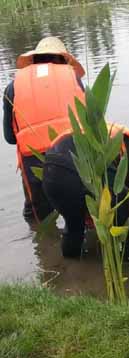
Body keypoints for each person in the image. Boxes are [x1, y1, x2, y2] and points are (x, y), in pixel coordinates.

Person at [42, 125, 129, 259]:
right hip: (81, 168)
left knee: (74, 226)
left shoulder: (127, 142)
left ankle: (70, 268)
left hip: (51, 172)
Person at [2, 36, 85, 224]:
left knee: (38, 218)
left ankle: (44, 247)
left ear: (34, 60)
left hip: (35, 163)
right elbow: (91, 127)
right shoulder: (76, 80)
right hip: (72, 159)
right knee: (81, 214)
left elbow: (10, 137)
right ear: (64, 60)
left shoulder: (11, 88)